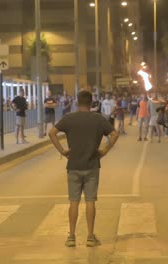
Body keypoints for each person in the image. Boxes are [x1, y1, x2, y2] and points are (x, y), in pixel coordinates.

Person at [48, 90, 119, 248]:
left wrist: (62, 151)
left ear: (77, 102)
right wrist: (104, 151)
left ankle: (71, 237)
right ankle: (90, 236)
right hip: (92, 165)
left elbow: (52, 133)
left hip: (73, 166)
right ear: (91, 102)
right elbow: (114, 134)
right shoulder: (98, 119)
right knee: (90, 201)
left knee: (73, 202)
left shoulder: (69, 119)